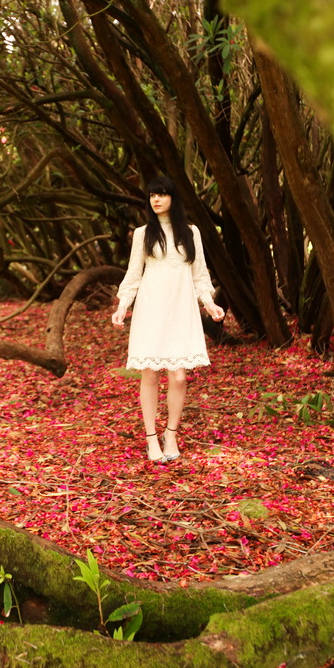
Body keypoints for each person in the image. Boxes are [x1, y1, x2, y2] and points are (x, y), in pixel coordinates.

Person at [112, 176, 225, 463]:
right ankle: (152, 438)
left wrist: (210, 304)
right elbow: (133, 275)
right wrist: (123, 306)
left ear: (173, 198)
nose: (156, 199)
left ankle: (171, 434)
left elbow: (199, 274)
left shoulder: (191, 232)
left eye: (162, 194)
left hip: (181, 310)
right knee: (149, 373)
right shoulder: (143, 234)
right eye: (152, 195)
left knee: (179, 376)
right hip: (151, 309)